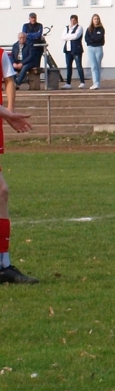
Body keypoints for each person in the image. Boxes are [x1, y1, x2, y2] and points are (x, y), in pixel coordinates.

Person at [0, 40, 37, 283]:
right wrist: (8, 114)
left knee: (1, 192)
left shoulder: (2, 56)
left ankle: (4, 265)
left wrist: (9, 112)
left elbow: (10, 81)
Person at [60, 15, 84, 89]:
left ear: (76, 20)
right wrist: (69, 36)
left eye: (74, 20)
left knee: (78, 66)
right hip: (68, 50)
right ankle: (68, 83)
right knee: (68, 66)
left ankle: (82, 82)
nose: (72, 22)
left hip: (76, 49)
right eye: (71, 20)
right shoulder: (67, 27)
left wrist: (68, 36)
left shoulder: (79, 28)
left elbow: (76, 36)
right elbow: (62, 37)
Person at [83, 14, 105, 89]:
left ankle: (97, 83)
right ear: (92, 20)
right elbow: (86, 39)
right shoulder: (89, 29)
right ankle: (95, 83)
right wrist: (93, 39)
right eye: (95, 19)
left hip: (98, 48)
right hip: (90, 49)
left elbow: (99, 38)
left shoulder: (101, 29)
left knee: (97, 66)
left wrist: (93, 39)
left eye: (97, 19)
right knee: (93, 66)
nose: (96, 20)